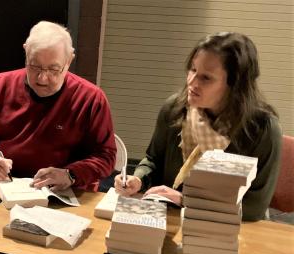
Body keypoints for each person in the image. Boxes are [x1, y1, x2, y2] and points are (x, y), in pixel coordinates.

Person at [114, 32, 282, 221]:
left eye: (206, 78)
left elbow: (254, 208)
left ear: (235, 84)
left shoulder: (263, 129)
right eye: (192, 70)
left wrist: (186, 200)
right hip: (169, 219)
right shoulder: (174, 108)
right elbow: (154, 160)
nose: (192, 82)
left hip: (231, 231)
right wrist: (138, 179)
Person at [0, 21, 117, 192]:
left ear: (69, 60)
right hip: (5, 187)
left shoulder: (91, 99)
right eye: (34, 66)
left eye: (53, 69)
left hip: (66, 192)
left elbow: (105, 157)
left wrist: (71, 175)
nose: (42, 78)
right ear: (25, 51)